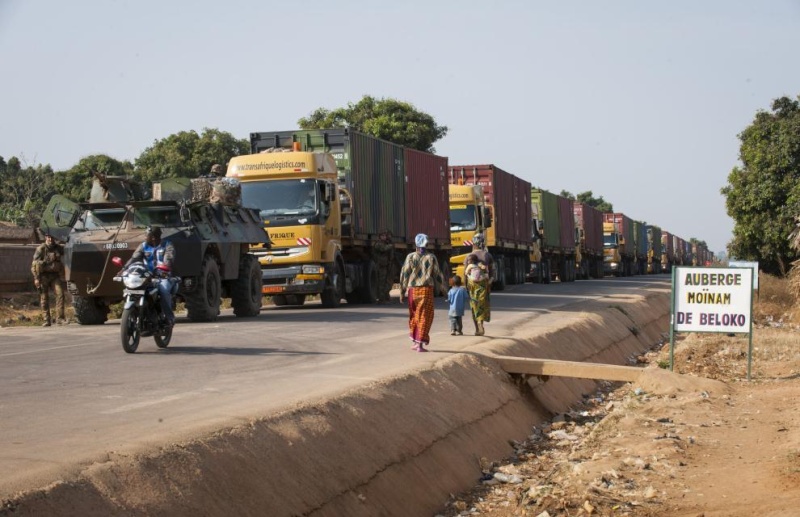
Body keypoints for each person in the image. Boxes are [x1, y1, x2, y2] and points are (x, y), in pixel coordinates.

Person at [399, 233, 446, 352]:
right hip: (426, 290)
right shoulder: (431, 257)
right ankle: (420, 345)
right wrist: (444, 290)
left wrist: (402, 291)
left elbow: (404, 274)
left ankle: (415, 342)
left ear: (415, 243)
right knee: (425, 316)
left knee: (414, 315)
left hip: (412, 290)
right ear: (427, 243)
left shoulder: (410, 257)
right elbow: (438, 275)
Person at [126, 226, 177, 326]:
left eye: (146, 235)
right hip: (146, 276)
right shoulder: (143, 246)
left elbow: (169, 259)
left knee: (163, 290)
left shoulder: (167, 245)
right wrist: (124, 269)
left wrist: (164, 268)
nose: (145, 237)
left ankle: (169, 318)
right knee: (131, 287)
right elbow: (134, 259)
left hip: (162, 276)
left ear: (153, 237)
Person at [31, 232, 67, 326]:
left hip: (55, 276)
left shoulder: (58, 248)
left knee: (60, 295)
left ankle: (60, 318)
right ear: (45, 238)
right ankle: (46, 320)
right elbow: (34, 264)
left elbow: (68, 250)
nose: (50, 239)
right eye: (48, 237)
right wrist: (36, 278)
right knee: (44, 298)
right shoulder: (41, 249)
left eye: (52, 237)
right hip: (43, 276)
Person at [464, 232, 494, 336]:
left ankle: (477, 328)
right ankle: (481, 322)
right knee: (483, 304)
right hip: (483, 284)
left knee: (474, 305)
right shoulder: (487, 255)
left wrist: (466, 286)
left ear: (474, 243)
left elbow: (465, 273)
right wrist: (489, 283)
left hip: (472, 284)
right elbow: (492, 272)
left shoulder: (468, 256)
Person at [372, 230, 394, 303]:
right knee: (381, 282)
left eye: (385, 236)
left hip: (385, 265)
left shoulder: (386, 243)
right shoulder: (378, 244)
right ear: (380, 237)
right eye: (382, 236)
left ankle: (385, 296)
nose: (384, 237)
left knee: (386, 281)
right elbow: (383, 249)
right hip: (380, 266)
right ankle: (381, 298)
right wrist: (391, 245)